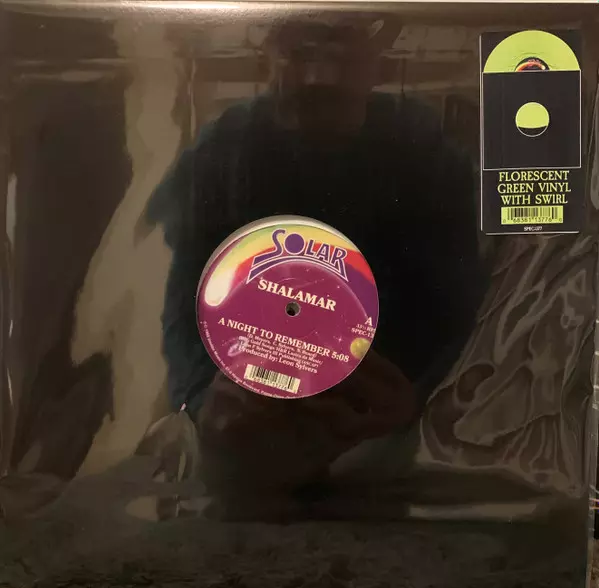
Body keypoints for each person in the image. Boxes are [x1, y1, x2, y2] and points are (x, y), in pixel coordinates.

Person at [145, 15, 485, 516]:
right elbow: (182, 297)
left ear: (376, 61)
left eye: (341, 54)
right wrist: (203, 399)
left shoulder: (423, 149)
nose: (319, 77)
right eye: (300, 53)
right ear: (268, 56)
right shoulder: (224, 150)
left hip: (384, 434)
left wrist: (416, 398)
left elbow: (460, 304)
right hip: (251, 434)